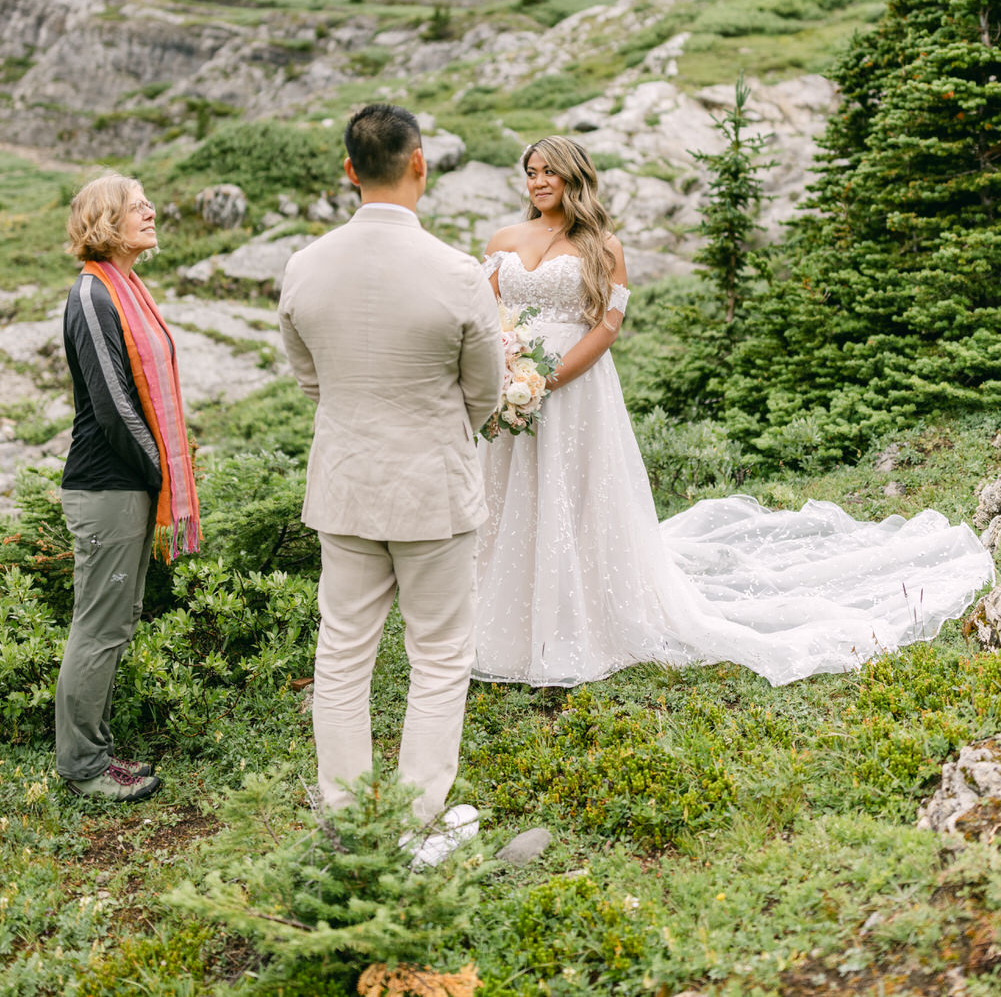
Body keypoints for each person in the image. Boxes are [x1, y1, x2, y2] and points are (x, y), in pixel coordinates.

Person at [475, 136, 994, 688]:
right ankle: (503, 614)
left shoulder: (604, 245)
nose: (538, 182)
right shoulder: (503, 239)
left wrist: (548, 377)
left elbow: (607, 325)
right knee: (512, 491)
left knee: (572, 493)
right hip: (510, 387)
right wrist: (504, 373)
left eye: (550, 171)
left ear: (574, 177)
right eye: (531, 172)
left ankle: (574, 615)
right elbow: (483, 313)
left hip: (576, 389)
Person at [279, 103, 504, 860]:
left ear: (348, 171)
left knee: (342, 653)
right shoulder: (456, 272)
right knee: (438, 655)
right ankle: (414, 823)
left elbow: (309, 380)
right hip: (432, 489)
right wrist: (437, 425)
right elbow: (485, 392)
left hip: (343, 483)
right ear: (420, 164)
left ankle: (346, 819)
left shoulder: (304, 266)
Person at [57, 174, 200, 802]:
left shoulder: (126, 288)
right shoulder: (94, 293)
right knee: (100, 626)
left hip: (127, 487)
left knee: (117, 620)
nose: (149, 210)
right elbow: (114, 407)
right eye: (135, 204)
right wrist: (163, 472)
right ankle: (84, 767)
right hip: (108, 487)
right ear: (106, 222)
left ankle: (96, 752)